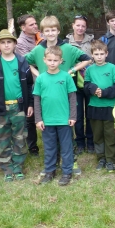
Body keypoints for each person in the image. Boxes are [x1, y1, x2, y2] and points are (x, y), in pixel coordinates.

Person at [26, 15, 91, 175]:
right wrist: (37, 73)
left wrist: (71, 71)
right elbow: (25, 62)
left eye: (53, 30)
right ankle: (52, 164)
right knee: (50, 133)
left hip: (65, 94)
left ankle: (71, 162)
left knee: (68, 131)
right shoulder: (38, 49)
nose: (50, 33)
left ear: (58, 30)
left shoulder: (68, 48)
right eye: (47, 30)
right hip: (47, 94)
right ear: (42, 32)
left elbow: (87, 59)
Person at [0, 30, 34, 182]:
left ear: (14, 44)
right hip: (0, 108)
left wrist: (30, 104)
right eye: (3, 42)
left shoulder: (22, 62)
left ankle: (18, 166)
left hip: (19, 107)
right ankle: (6, 167)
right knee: (3, 138)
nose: (6, 45)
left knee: (20, 137)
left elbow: (29, 85)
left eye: (9, 42)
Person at [33, 46, 77, 186]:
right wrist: (38, 119)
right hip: (47, 121)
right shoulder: (40, 78)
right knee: (50, 147)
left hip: (64, 120)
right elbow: (37, 100)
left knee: (66, 147)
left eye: (55, 60)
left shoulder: (66, 77)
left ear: (61, 61)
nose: (52, 63)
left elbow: (72, 98)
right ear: (44, 60)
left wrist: (73, 116)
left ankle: (66, 172)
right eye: (50, 60)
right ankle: (50, 171)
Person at [84, 40, 115, 172]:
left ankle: (111, 160)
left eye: (102, 53)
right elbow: (86, 86)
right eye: (96, 54)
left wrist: (104, 92)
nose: (99, 56)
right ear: (92, 55)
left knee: (110, 135)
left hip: (110, 107)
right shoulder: (89, 70)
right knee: (98, 135)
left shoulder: (112, 68)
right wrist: (94, 89)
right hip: (94, 107)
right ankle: (101, 158)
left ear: (106, 54)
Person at [66, 15, 95, 155]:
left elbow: (94, 59)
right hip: (73, 83)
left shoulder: (92, 42)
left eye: (83, 26)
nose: (80, 28)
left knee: (90, 113)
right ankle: (79, 142)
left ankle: (90, 141)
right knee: (77, 114)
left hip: (89, 81)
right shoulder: (66, 43)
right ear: (73, 25)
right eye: (78, 25)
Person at [15, 14, 42, 156]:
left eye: (36, 23)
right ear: (23, 27)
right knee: (30, 115)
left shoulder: (41, 36)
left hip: (48, 80)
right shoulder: (20, 43)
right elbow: (29, 61)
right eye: (31, 24)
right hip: (32, 82)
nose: (35, 26)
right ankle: (32, 146)